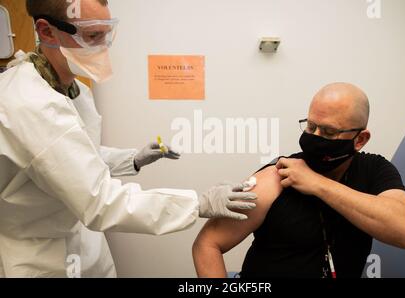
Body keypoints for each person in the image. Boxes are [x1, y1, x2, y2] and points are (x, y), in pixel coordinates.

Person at [0, 0, 256, 277]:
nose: (103, 46)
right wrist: (198, 203)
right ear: (47, 32)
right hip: (38, 255)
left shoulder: (75, 91)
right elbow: (99, 200)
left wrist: (132, 159)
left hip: (84, 242)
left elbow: (77, 160)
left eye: (106, 33)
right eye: (92, 36)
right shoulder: (27, 104)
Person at [193, 82, 405, 278]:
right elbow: (207, 243)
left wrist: (317, 184)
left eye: (329, 132)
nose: (315, 138)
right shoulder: (276, 176)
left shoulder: (373, 169)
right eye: (311, 126)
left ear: (360, 139)